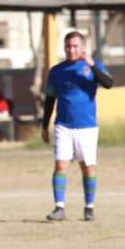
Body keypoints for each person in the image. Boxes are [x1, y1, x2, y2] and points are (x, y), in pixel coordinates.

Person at [42, 30, 113, 222]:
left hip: (87, 127)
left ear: (82, 48)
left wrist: (91, 64)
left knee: (88, 167)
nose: (71, 50)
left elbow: (108, 83)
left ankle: (89, 208)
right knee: (60, 165)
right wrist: (44, 124)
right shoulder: (56, 71)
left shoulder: (93, 66)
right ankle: (59, 208)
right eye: (68, 46)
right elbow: (50, 99)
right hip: (63, 125)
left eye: (75, 46)